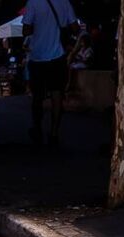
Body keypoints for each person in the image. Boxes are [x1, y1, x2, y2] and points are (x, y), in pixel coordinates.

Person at [23, 0, 79, 147]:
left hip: (38, 56)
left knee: (37, 97)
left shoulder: (33, 2)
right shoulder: (65, 3)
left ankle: (37, 129)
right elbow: (75, 28)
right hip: (58, 56)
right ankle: (54, 133)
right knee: (57, 96)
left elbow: (26, 29)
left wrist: (40, 28)